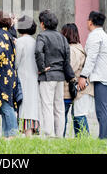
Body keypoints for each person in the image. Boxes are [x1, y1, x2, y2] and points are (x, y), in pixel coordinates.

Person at [78, 11, 107, 140]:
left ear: (90, 21)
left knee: (102, 112)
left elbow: (91, 58)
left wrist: (83, 76)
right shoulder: (105, 36)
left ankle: (104, 140)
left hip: (102, 78)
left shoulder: (94, 36)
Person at [35, 10, 75, 138]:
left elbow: (37, 51)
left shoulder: (42, 36)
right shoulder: (63, 38)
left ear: (42, 24)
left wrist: (41, 68)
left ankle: (49, 134)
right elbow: (67, 59)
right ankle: (59, 135)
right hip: (60, 76)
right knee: (59, 107)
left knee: (47, 105)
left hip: (48, 76)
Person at [0, 11, 19, 139]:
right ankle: (5, 136)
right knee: (7, 104)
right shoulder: (9, 35)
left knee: (5, 105)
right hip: (10, 73)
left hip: (2, 74)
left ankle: (12, 133)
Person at [61, 23, 94, 137]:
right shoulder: (79, 48)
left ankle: (83, 139)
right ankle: (81, 140)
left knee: (75, 116)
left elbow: (71, 68)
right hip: (77, 89)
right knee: (76, 115)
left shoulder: (72, 50)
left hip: (74, 89)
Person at [15, 15, 40, 137]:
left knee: (23, 106)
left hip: (22, 77)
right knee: (32, 106)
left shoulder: (19, 42)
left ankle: (26, 134)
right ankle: (30, 133)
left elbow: (16, 62)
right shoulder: (35, 42)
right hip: (34, 78)